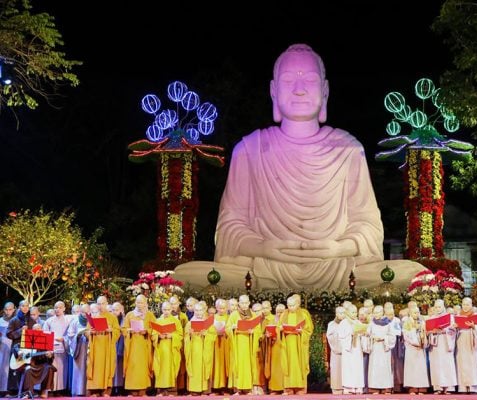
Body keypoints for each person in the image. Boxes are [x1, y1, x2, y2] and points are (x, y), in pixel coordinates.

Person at [174, 43, 425, 291]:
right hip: (266, 265)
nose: (299, 90)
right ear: (273, 91)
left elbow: (368, 226)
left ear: (325, 91)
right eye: (287, 81)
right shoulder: (249, 149)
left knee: (411, 274)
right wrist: (263, 248)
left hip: (335, 266)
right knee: (191, 275)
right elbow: (229, 228)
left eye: (311, 81)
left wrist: (339, 248)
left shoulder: (348, 149)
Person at [123, 294, 156, 396]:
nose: (139, 304)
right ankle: (132, 390)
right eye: (138, 302)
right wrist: (129, 330)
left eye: (141, 302)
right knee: (132, 366)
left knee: (143, 367)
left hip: (144, 345)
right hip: (132, 345)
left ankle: (143, 390)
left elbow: (155, 329)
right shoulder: (130, 315)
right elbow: (123, 329)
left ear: (145, 303)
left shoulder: (150, 315)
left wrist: (146, 331)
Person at [152, 301, 183, 397]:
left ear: (171, 310)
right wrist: (158, 336)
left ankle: (171, 391)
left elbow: (180, 335)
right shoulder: (158, 321)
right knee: (160, 369)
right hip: (161, 349)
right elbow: (153, 335)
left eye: (168, 309)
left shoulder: (176, 321)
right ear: (162, 309)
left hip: (171, 349)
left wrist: (172, 336)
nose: (166, 311)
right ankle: (160, 391)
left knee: (171, 368)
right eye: (164, 309)